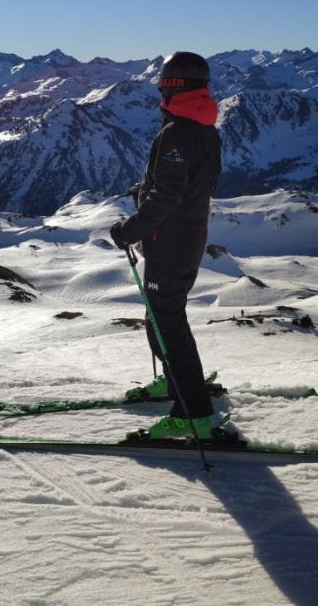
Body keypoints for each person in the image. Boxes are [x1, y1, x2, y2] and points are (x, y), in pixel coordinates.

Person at [110, 51, 221, 441]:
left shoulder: (178, 132)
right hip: (185, 237)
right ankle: (176, 384)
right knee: (161, 317)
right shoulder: (203, 128)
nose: (158, 90)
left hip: (169, 242)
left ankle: (193, 413)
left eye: (161, 84)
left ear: (173, 87)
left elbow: (170, 194)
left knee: (169, 324)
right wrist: (146, 189)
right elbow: (191, 184)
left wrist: (130, 228)